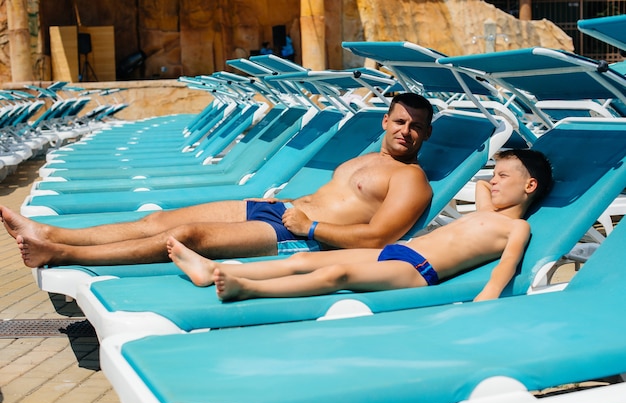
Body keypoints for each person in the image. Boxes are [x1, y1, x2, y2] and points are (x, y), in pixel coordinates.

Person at [1, 93, 434, 268]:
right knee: (159, 220)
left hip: (301, 234)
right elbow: (335, 196)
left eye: (415, 127)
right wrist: (292, 204)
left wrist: (312, 228)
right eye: (399, 121)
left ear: (426, 135)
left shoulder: (412, 180)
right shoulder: (365, 158)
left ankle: (59, 254)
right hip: (282, 210)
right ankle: (50, 232)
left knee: (187, 236)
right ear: (385, 120)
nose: (405, 131)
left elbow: (379, 236)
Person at [166, 149, 553, 302]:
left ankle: (246, 288)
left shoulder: (516, 230)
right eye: (496, 175)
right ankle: (211, 270)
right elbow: (485, 188)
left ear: (530, 186)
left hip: (417, 270)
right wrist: (503, 176)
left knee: (338, 272)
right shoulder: (487, 211)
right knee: (304, 261)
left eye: (504, 176)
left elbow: (504, 272)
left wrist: (483, 304)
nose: (493, 180)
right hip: (396, 252)